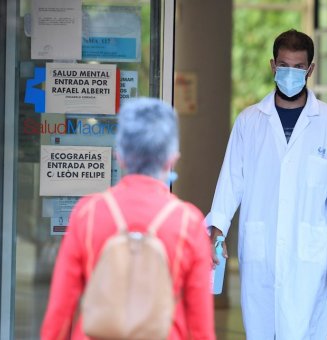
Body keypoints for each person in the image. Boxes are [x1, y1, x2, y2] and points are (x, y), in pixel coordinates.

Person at [206, 29, 327, 339]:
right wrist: (216, 235)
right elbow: (231, 180)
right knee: (259, 329)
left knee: (304, 330)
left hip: (308, 254)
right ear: (273, 66)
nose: (291, 73)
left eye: (299, 67)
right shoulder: (250, 121)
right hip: (261, 247)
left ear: (310, 70)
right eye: (285, 65)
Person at [41, 98, 215, 340]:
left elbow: (60, 312)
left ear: (119, 156)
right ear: (171, 158)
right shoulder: (188, 222)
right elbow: (200, 328)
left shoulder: (87, 214)